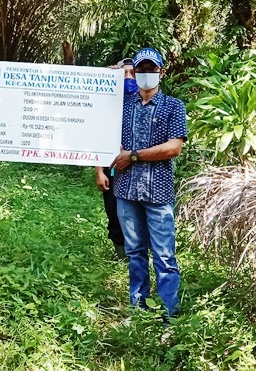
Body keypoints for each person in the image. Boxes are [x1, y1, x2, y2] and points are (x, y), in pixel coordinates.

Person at [110, 47, 187, 318]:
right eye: (140, 70)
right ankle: (139, 308)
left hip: (158, 191)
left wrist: (132, 156)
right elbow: (105, 135)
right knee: (135, 252)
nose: (145, 75)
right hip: (126, 190)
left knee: (165, 256)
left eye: (151, 69)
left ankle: (169, 314)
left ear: (161, 73)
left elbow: (173, 147)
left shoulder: (173, 106)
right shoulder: (123, 105)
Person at [95, 57, 135, 260]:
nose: (128, 78)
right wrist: (99, 171)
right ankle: (122, 255)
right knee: (114, 212)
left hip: (139, 169)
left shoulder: (146, 100)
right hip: (112, 169)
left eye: (132, 73)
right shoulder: (109, 103)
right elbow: (97, 136)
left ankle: (139, 253)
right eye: (123, 74)